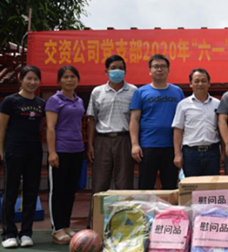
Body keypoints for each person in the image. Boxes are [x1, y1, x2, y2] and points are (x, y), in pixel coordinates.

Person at [0, 66, 45, 248]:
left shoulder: (41, 103)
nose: (32, 82)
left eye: (35, 79)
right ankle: (8, 234)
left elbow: (41, 127)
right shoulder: (10, 101)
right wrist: (3, 153)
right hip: (14, 151)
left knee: (31, 193)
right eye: (29, 78)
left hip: (34, 152)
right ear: (21, 79)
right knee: (10, 192)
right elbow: (0, 129)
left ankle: (26, 233)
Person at [130, 54, 184, 189]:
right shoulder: (141, 92)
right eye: (156, 67)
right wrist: (135, 144)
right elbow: (134, 119)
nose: (159, 69)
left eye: (163, 66)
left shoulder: (177, 91)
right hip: (148, 146)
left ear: (168, 70)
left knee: (170, 188)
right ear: (150, 71)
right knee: (145, 187)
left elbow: (183, 119)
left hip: (171, 147)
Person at [86, 55, 137, 197]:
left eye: (121, 68)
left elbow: (136, 119)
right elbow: (92, 119)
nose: (117, 71)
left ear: (125, 71)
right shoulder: (97, 92)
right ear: (106, 71)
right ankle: (97, 212)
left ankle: (125, 211)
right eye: (113, 68)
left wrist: (135, 143)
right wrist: (90, 144)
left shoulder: (133, 91)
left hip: (124, 139)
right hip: (103, 140)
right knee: (100, 182)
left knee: (124, 183)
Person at [46, 65, 85, 245]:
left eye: (73, 76)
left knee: (70, 190)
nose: (70, 80)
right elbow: (50, 127)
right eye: (66, 77)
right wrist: (52, 152)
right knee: (58, 191)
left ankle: (66, 225)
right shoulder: (54, 100)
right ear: (59, 81)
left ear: (78, 79)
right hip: (60, 150)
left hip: (76, 150)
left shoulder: (79, 100)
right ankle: (57, 229)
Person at [172, 68, 221, 177]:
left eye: (203, 81)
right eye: (196, 81)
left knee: (212, 185)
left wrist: (223, 152)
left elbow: (221, 129)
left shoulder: (217, 104)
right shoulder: (183, 105)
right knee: (191, 185)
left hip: (212, 153)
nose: (200, 84)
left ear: (209, 83)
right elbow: (178, 130)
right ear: (191, 84)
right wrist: (177, 154)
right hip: (191, 154)